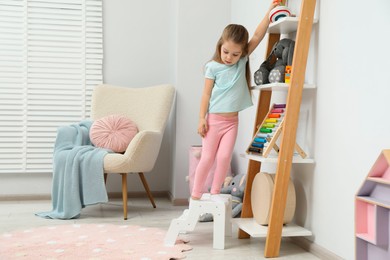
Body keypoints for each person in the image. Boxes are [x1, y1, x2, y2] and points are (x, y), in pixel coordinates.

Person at [191, 0, 281, 200]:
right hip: (213, 120)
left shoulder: (242, 60)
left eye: (235, 54)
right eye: (226, 52)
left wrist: (270, 10)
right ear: (220, 45)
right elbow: (205, 94)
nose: (229, 57)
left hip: (232, 122)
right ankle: (196, 195)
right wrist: (201, 118)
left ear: (242, 53)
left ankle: (215, 192)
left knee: (223, 158)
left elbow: (258, 35)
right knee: (207, 158)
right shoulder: (212, 67)